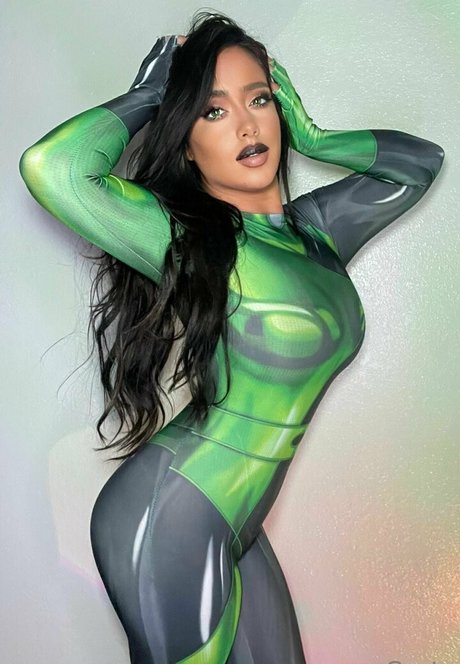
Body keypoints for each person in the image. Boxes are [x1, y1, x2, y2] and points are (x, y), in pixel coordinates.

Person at [18, 11, 445, 664]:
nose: (246, 126)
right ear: (187, 143)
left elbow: (420, 163)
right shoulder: (189, 239)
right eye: (213, 111)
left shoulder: (316, 232)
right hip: (171, 513)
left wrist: (317, 136)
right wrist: (150, 95)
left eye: (259, 100)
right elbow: (52, 168)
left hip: (236, 520)